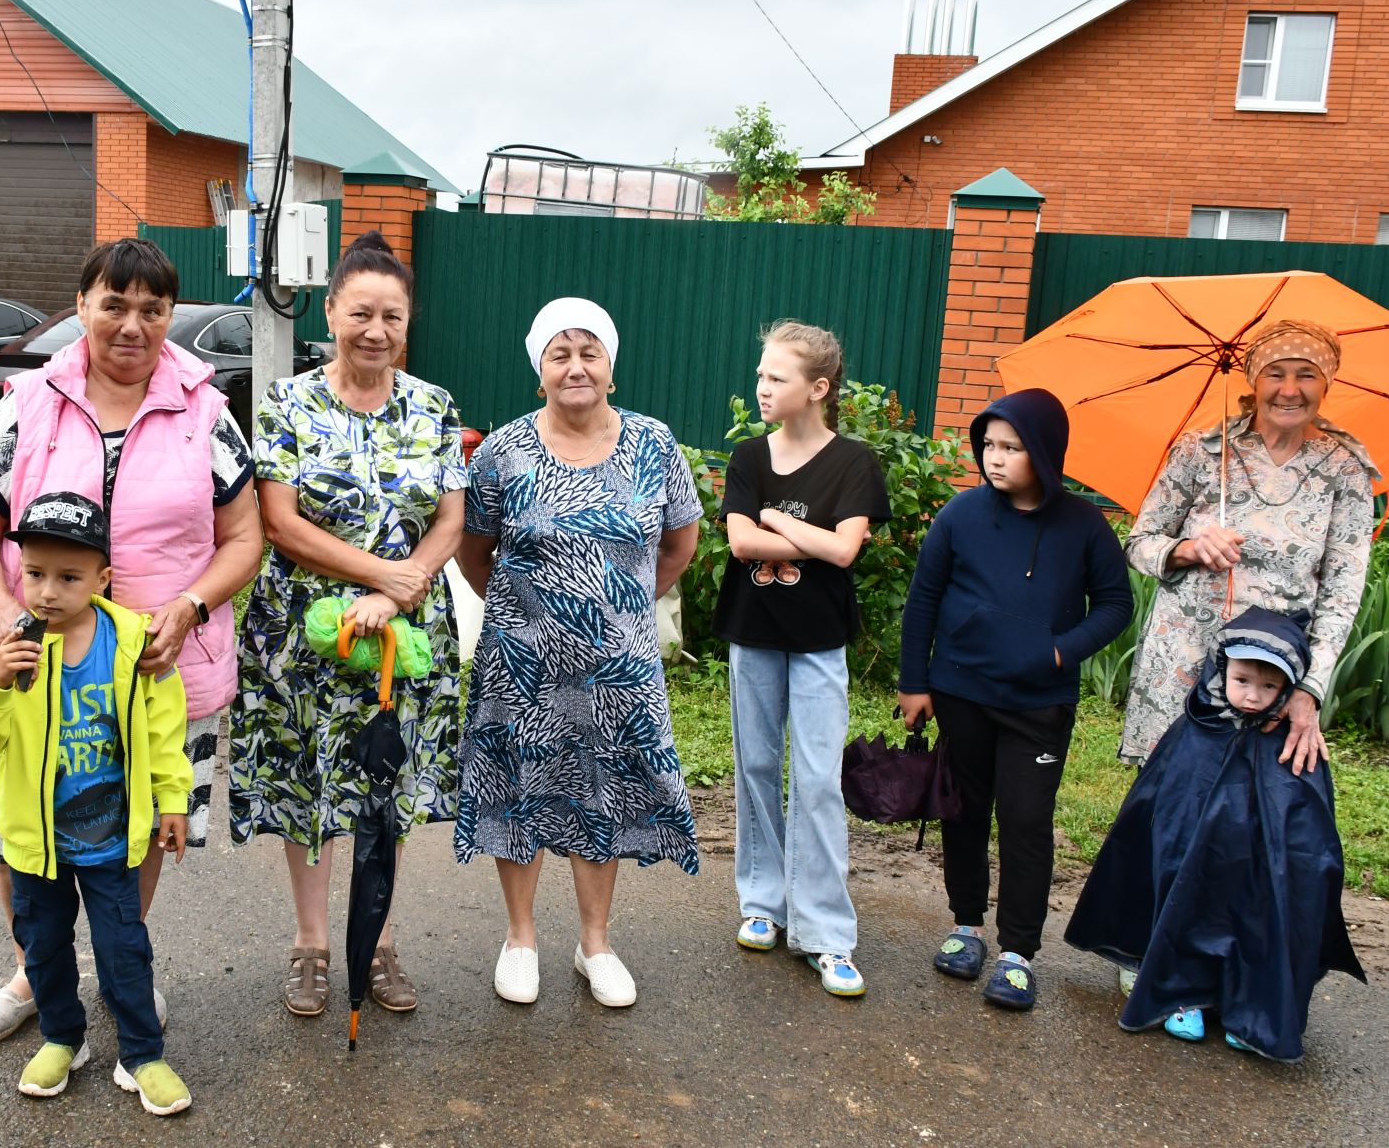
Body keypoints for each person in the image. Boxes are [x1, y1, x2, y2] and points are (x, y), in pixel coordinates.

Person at [0, 238, 261, 1046]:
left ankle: (121, 971)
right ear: (82, 304)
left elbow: (244, 539)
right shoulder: (28, 403)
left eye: (151, 310)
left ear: (169, 318)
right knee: (21, 821)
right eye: (113, 305)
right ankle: (35, 973)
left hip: (160, 672)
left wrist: (191, 605)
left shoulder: (205, 410)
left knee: (140, 826)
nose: (132, 325)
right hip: (36, 664)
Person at [230, 231, 467, 1017]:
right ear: (331, 312)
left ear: (409, 322)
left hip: (403, 635)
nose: (376, 329)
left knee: (386, 786)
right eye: (360, 312)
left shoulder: (435, 406)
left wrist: (400, 592)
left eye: (391, 316)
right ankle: (311, 947)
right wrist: (376, 575)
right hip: (305, 634)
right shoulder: (289, 403)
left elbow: (450, 518)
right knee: (310, 788)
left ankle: (381, 939)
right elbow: (280, 522)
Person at [455, 297, 702, 1009]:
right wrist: (529, 614)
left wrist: (617, 610)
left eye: (589, 352)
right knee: (518, 790)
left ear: (611, 368)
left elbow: (680, 542)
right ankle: (521, 938)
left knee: (605, 795)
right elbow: (477, 554)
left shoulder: (654, 445)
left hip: (618, 672)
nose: (576, 367)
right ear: (540, 371)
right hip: (521, 669)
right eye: (559, 354)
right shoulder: (503, 449)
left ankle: (595, 943)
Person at [0, 491, 193, 1112]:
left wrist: (172, 800)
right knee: (44, 946)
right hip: (38, 843)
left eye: (68, 577)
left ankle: (142, 1054)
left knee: (125, 948)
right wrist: (1, 683)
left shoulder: (133, 641)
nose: (48, 592)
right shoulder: (5, 648)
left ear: (102, 577)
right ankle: (63, 1037)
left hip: (114, 840)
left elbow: (165, 728)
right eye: (34, 574)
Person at [896, 389, 1132, 1010]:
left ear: (1046, 452)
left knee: (1026, 823)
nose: (994, 459)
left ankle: (1018, 954)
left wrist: (1059, 652)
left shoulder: (1084, 525)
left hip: (1038, 705)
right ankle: (966, 928)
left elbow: (1115, 606)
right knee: (965, 811)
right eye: (989, 446)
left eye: (1012, 447)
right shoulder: (960, 515)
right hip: (961, 692)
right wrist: (914, 682)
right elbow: (923, 601)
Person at [1065, 608, 1365, 1062]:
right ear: (1221, 668)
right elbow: (1161, 810)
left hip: (1254, 865)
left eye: (1269, 687)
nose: (1252, 696)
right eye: (1242, 681)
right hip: (1195, 859)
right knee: (1185, 894)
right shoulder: (1195, 730)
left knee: (1266, 908)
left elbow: (1308, 834)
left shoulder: (1290, 744)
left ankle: (1253, 1010)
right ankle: (1182, 994)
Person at [713, 322, 890, 998]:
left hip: (819, 641)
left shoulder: (854, 462)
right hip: (753, 631)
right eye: (760, 375)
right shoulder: (749, 460)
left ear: (817, 389)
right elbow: (738, 544)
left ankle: (825, 935)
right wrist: (808, 537)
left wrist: (779, 524)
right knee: (756, 767)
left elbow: (846, 553)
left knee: (817, 780)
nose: (761, 388)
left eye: (776, 378)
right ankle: (763, 904)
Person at [1120, 320, 1375, 776]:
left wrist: (1310, 688)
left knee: (1246, 809)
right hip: (1182, 654)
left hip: (1270, 672)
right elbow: (1139, 544)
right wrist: (1188, 549)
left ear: (1327, 383)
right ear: (1254, 380)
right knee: (1169, 797)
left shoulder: (1345, 472)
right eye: (1276, 373)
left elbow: (1342, 593)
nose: (1290, 390)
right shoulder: (1201, 451)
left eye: (1306, 374)